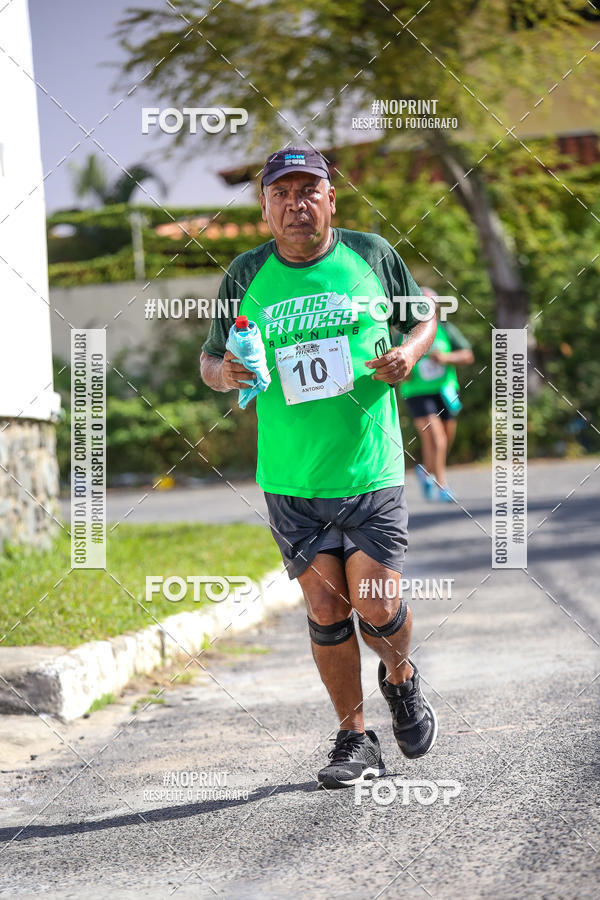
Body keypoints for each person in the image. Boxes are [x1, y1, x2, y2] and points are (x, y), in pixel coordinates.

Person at [200, 146, 438, 789]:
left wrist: (410, 353)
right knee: (327, 611)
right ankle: (355, 737)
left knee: (375, 602)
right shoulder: (245, 272)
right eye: (281, 193)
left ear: (331, 199)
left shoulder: (370, 254)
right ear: (264, 207)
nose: (295, 204)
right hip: (291, 479)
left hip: (369, 469)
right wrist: (225, 372)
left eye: (309, 191)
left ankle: (401, 678)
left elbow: (423, 316)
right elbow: (211, 360)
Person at [396, 288, 474, 502]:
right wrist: (404, 371)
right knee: (436, 439)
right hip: (418, 393)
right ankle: (442, 485)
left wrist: (445, 358)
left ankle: (426, 471)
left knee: (446, 438)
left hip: (445, 390)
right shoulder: (405, 333)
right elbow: (396, 364)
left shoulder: (445, 329)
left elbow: (467, 355)